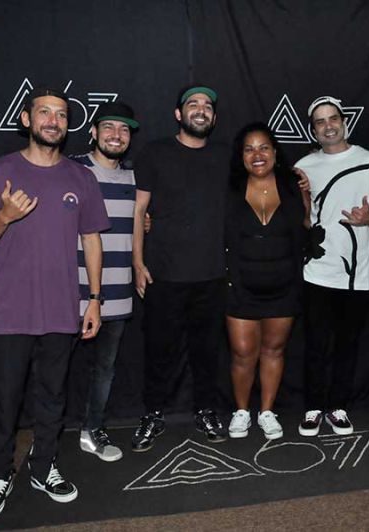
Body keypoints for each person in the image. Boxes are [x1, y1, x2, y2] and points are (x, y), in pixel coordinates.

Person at [0, 102, 141, 463]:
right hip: (22, 305)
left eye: (61, 115)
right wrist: (1, 212)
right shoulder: (6, 170)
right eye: (45, 113)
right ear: (26, 119)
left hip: (78, 302)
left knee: (64, 390)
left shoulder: (102, 177)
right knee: (12, 395)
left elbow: (99, 235)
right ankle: (4, 470)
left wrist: (96, 297)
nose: (53, 121)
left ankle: (53, 459)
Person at [131, 85, 228, 451]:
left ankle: (206, 410)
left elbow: (262, 176)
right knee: (159, 351)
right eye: (193, 104)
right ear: (178, 114)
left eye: (207, 106)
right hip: (163, 274)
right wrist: (137, 262)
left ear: (213, 118)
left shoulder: (225, 156)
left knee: (207, 353)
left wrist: (298, 179)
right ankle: (153, 414)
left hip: (212, 275)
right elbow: (139, 211)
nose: (200, 110)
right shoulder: (154, 152)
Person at [294, 96, 369, 436]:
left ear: (344, 122)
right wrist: (304, 199)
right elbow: (304, 221)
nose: (328, 126)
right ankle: (313, 407)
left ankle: (338, 407)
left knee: (348, 344)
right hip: (318, 270)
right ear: (313, 130)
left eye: (333, 118)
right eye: (320, 122)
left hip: (359, 273)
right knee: (316, 343)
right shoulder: (304, 167)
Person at [225, 123, 307, 440]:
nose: (257, 155)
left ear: (275, 152)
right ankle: (242, 411)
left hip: (284, 286)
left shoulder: (294, 187)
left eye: (263, 147)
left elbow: (306, 225)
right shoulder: (229, 188)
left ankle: (267, 412)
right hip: (241, 286)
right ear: (241, 155)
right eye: (249, 149)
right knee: (243, 353)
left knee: (274, 350)